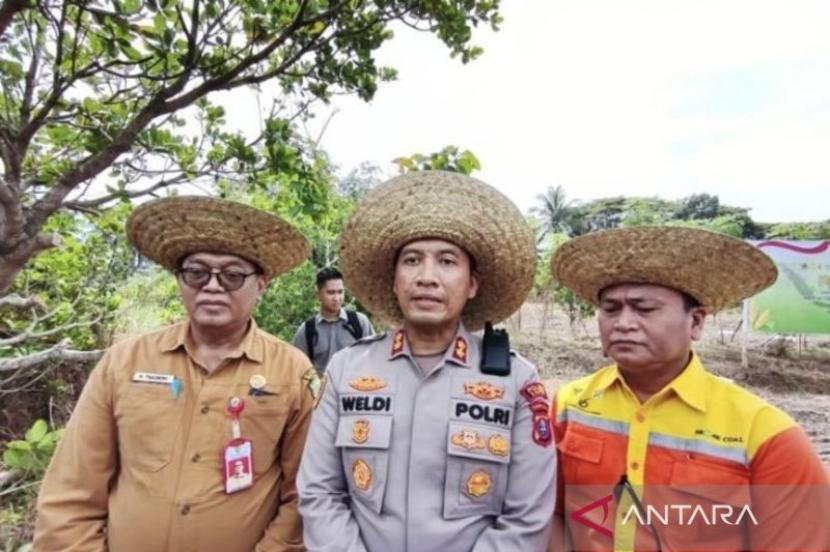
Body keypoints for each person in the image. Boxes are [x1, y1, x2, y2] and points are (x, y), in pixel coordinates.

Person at [34, 196, 318, 552]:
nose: (212, 286)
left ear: (261, 285)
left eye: (232, 276)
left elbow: (304, 492)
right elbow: (72, 490)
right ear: (179, 278)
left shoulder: (293, 372)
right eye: (197, 272)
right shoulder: (124, 362)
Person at [298, 171, 556, 552]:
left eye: (448, 261)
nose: (427, 277)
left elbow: (526, 518)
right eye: (412, 260)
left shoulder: (516, 380)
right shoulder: (347, 370)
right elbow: (320, 493)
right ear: (394, 280)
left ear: (472, 284)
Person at [549, 226, 830, 552]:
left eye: (644, 309)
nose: (623, 323)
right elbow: (550, 514)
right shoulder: (569, 405)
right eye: (611, 309)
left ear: (695, 322)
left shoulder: (766, 434)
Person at [292, 267, 374, 373]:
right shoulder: (307, 331)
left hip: (356, 386)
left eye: (340, 292)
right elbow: (296, 368)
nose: (336, 298)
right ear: (318, 294)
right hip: (322, 388)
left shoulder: (359, 322)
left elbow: (373, 357)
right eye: (331, 293)